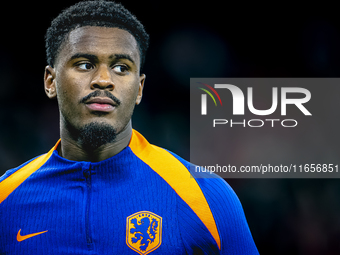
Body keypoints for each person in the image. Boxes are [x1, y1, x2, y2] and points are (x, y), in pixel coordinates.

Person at [0, 1, 259, 254]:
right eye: (85, 65)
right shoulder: (6, 199)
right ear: (50, 82)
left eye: (121, 68)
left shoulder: (203, 194)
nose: (103, 80)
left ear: (139, 88)